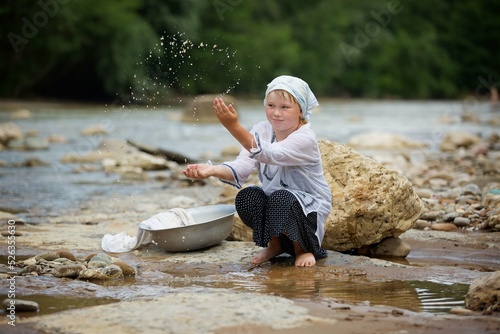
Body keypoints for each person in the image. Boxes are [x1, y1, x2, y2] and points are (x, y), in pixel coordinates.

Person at [182, 75, 332, 267]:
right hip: (279, 204)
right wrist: (211, 170)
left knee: (281, 198)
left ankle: (302, 249)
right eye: (271, 106)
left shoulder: (305, 137)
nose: (276, 113)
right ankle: (275, 244)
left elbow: (269, 154)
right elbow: (242, 167)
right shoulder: (261, 129)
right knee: (248, 196)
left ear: (301, 110)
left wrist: (233, 126)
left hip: (308, 209)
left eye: (285, 107)